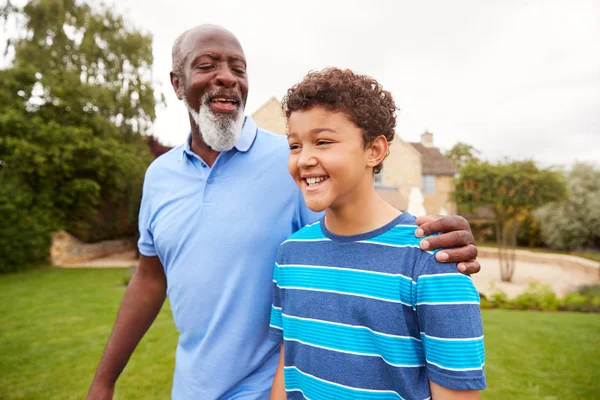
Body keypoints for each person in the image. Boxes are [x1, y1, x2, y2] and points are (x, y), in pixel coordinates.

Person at [87, 25, 482, 400]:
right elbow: (149, 278)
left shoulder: (290, 162)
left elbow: (354, 228)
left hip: (262, 387)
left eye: (238, 69)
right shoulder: (159, 176)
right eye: (207, 66)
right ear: (177, 83)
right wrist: (104, 381)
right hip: (192, 386)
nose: (226, 77)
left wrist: (427, 237)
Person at [268, 68, 486, 400]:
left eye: (323, 141)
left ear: (375, 150)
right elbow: (288, 363)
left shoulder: (433, 261)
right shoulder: (290, 254)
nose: (304, 159)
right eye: (295, 146)